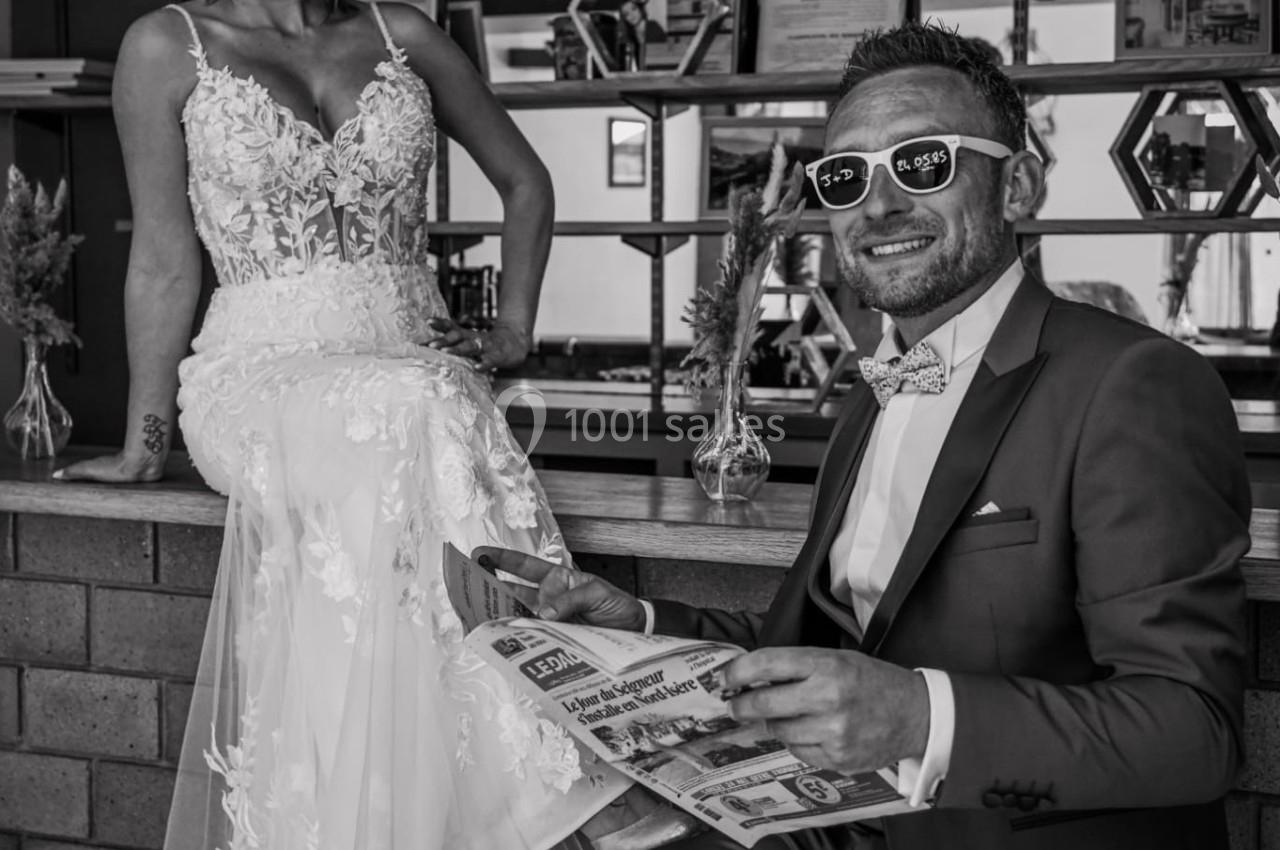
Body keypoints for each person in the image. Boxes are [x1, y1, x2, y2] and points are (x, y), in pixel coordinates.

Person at [480, 21, 1250, 850]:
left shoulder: (1131, 383)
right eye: (846, 176)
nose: (877, 205)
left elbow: (1194, 732)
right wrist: (637, 623)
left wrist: (921, 718)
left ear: (1018, 185)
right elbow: (827, 652)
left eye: (923, 163)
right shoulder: (868, 401)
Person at [53, 1, 633, 848]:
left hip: (416, 376)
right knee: (421, 401)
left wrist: (513, 329)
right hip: (257, 375)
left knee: (418, 408)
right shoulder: (165, 45)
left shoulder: (405, 34)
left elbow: (525, 181)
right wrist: (145, 445)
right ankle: (551, 779)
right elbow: (164, 261)